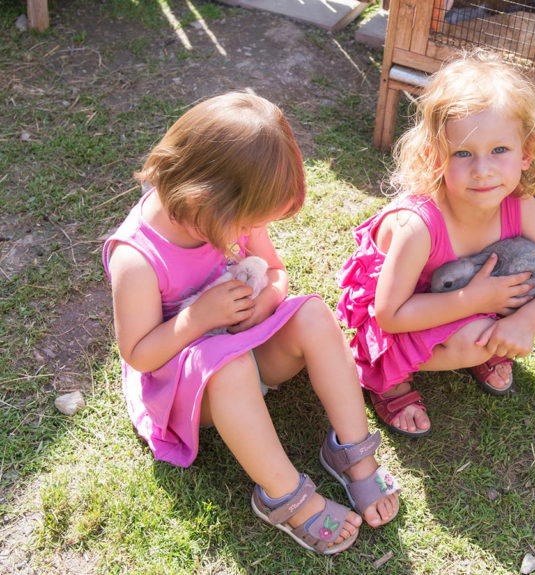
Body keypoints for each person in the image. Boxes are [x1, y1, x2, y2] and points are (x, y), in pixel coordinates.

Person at [103, 92, 399, 555]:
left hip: (242, 343)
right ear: (210, 201)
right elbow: (139, 354)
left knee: (313, 313)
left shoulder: (226, 211)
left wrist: (269, 301)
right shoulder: (137, 256)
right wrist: (198, 318)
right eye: (244, 225)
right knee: (231, 367)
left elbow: (275, 272)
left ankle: (354, 453)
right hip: (188, 385)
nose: (246, 235)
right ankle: (286, 498)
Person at [336, 52, 535, 437]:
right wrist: (476, 302)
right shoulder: (419, 225)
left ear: (526, 152)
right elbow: (390, 314)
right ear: (434, 157)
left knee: (522, 293)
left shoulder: (521, 205)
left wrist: (524, 322)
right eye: (463, 153)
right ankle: (384, 376)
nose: (482, 169)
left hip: (472, 298)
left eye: (499, 150)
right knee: (476, 343)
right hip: (404, 312)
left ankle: (484, 331)